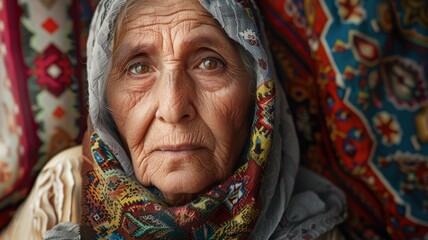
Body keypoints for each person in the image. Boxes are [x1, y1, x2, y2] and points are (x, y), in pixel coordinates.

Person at [0, 0, 347, 239]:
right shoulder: (66, 192)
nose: (172, 106)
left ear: (260, 94)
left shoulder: (312, 227)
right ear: (104, 102)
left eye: (209, 63)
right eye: (139, 67)